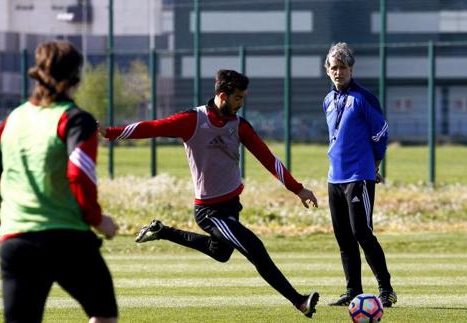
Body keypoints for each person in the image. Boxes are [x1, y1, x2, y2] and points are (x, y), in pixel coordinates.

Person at [101, 69, 320, 318]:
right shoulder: (193, 120)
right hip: (210, 211)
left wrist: (298, 189)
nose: (241, 103)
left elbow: (269, 159)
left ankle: (163, 231)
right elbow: (152, 127)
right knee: (254, 247)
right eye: (238, 98)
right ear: (223, 96)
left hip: (231, 206)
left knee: (221, 252)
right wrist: (110, 132)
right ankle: (300, 301)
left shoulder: (239, 126)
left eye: (243, 98)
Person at [0, 41, 119, 323]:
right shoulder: (76, 120)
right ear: (76, 77)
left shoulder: (12, 120)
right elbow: (78, 174)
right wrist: (97, 219)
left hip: (17, 243)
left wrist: (10, 219)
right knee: (103, 315)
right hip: (67, 240)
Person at [322, 42, 397, 307]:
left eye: (343, 67)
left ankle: (386, 289)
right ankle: (353, 290)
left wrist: (373, 165)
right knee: (343, 238)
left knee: (362, 233)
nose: (338, 72)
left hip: (359, 177)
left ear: (351, 69)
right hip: (335, 178)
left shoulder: (364, 98)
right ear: (327, 70)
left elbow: (381, 133)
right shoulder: (328, 100)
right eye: (334, 67)